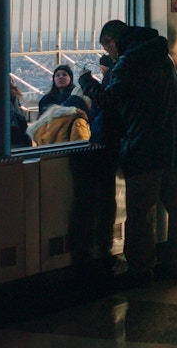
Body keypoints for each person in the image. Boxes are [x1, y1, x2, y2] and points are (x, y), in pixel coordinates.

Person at [78, 19, 177, 288]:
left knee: (141, 212)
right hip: (173, 144)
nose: (110, 55)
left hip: (143, 148)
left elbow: (108, 99)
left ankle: (140, 269)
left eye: (108, 48)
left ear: (112, 41)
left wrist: (86, 81)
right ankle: (174, 262)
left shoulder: (129, 62)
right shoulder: (163, 57)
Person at [70, 53, 121, 275]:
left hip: (101, 148)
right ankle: (103, 249)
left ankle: (85, 252)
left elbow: (106, 101)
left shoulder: (116, 76)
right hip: (110, 148)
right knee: (106, 201)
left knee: (89, 201)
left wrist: (85, 81)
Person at [28, 65, 92, 145]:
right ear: (54, 79)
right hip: (49, 138)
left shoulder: (77, 99)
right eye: (57, 75)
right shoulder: (46, 100)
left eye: (64, 75)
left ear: (70, 78)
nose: (61, 77)